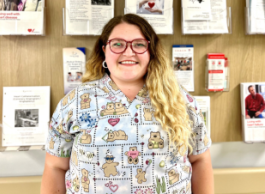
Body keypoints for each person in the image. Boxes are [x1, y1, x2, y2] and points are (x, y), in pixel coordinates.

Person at [41, 14, 214, 194]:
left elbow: (200, 160)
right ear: (104, 51)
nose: (128, 52)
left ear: (151, 51)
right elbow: (55, 166)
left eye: (139, 44)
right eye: (117, 44)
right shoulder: (74, 103)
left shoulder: (181, 101)